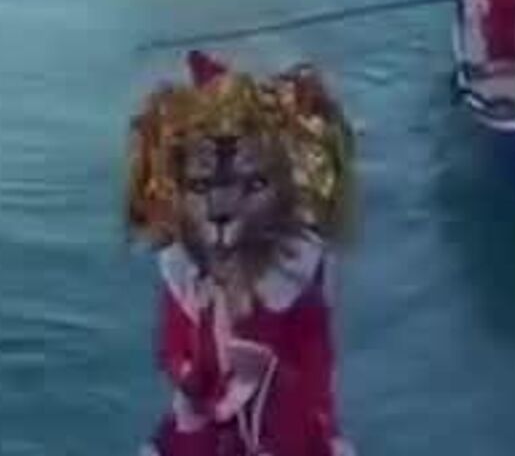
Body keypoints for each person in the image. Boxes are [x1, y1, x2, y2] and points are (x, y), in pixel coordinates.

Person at [130, 55, 355, 456]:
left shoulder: (298, 280)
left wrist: (263, 380)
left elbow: (312, 378)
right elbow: (172, 349)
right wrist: (194, 382)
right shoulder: (184, 270)